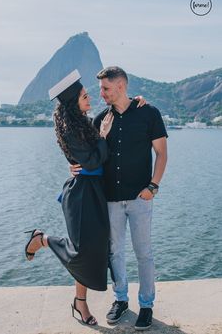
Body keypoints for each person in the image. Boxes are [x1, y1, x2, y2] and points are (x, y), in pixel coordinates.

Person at [24, 69, 146, 326]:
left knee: (96, 251)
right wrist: (102, 135)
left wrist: (137, 101)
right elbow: (91, 159)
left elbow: (120, 114)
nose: (89, 98)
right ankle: (43, 240)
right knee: (83, 251)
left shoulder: (83, 122)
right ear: (72, 101)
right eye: (84, 96)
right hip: (81, 195)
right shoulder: (73, 128)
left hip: (94, 190)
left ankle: (80, 302)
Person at [71, 66, 168, 330]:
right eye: (100, 89)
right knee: (115, 253)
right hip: (110, 199)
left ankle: (146, 305)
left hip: (141, 198)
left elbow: (161, 153)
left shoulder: (149, 113)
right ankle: (121, 299)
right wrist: (75, 166)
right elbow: (90, 156)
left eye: (105, 88)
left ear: (121, 86)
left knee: (144, 253)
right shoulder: (100, 119)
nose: (101, 94)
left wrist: (153, 186)